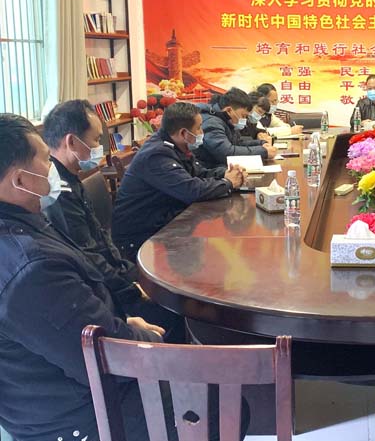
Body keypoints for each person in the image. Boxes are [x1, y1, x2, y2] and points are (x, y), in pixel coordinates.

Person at [0, 113, 166, 441]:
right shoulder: (30, 268)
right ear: (20, 179)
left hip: (49, 390)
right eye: (45, 159)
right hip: (75, 417)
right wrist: (146, 339)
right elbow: (110, 357)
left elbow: (75, 319)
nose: (52, 167)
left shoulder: (26, 224)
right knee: (223, 407)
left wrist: (120, 322)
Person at [42, 100, 184, 341]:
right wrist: (130, 289)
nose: (100, 147)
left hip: (113, 275)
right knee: (176, 313)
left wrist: (130, 273)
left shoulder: (71, 178)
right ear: (72, 142)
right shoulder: (58, 193)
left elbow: (101, 238)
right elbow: (89, 258)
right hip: (101, 293)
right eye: (96, 140)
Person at [112, 102, 243, 261]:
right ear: (183, 133)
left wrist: (225, 174)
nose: (202, 133)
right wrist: (228, 183)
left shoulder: (176, 146)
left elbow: (198, 173)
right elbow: (191, 190)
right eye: (198, 128)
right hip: (140, 236)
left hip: (165, 221)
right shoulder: (157, 155)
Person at [194, 88, 277, 169]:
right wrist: (263, 151)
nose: (244, 120)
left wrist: (261, 144)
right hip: (209, 171)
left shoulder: (226, 120)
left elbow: (237, 143)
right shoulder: (211, 122)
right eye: (243, 116)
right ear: (229, 110)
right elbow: (226, 153)